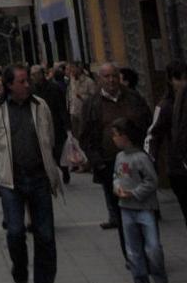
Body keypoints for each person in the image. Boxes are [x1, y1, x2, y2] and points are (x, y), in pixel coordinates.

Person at [0, 65, 63, 283]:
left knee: (45, 235)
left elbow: (50, 135)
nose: (27, 85)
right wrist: (5, 162)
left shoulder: (40, 106)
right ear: (9, 86)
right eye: (21, 81)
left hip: (39, 177)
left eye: (27, 80)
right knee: (16, 232)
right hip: (11, 180)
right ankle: (20, 280)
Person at [80, 63, 152, 238]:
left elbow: (148, 124)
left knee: (145, 206)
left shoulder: (133, 98)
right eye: (106, 77)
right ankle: (131, 252)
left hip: (137, 161)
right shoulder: (92, 104)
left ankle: (150, 248)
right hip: (110, 164)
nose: (111, 80)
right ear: (99, 79)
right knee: (121, 212)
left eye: (114, 76)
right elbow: (86, 136)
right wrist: (98, 162)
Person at [112, 117, 168, 283]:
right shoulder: (119, 157)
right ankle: (140, 282)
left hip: (144, 208)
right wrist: (117, 187)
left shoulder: (141, 158)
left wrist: (134, 193)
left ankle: (160, 281)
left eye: (115, 135)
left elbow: (152, 181)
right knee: (133, 250)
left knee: (153, 248)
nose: (113, 139)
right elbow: (116, 176)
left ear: (125, 136)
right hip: (126, 208)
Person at [31, 65, 71, 184]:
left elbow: (62, 107)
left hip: (55, 123)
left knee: (58, 151)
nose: (33, 77)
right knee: (44, 151)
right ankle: (47, 175)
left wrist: (66, 124)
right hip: (40, 123)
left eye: (35, 74)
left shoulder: (54, 88)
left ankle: (64, 170)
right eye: (32, 75)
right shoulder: (32, 89)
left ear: (41, 74)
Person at [165, 61, 187, 227]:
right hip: (179, 168)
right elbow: (153, 135)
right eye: (178, 79)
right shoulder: (166, 105)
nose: (182, 83)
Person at [67, 62, 96, 141]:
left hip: (84, 113)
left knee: (83, 135)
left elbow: (94, 97)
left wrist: (82, 97)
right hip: (73, 111)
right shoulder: (71, 80)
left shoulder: (89, 81)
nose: (71, 70)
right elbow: (70, 94)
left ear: (79, 68)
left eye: (73, 68)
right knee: (75, 135)